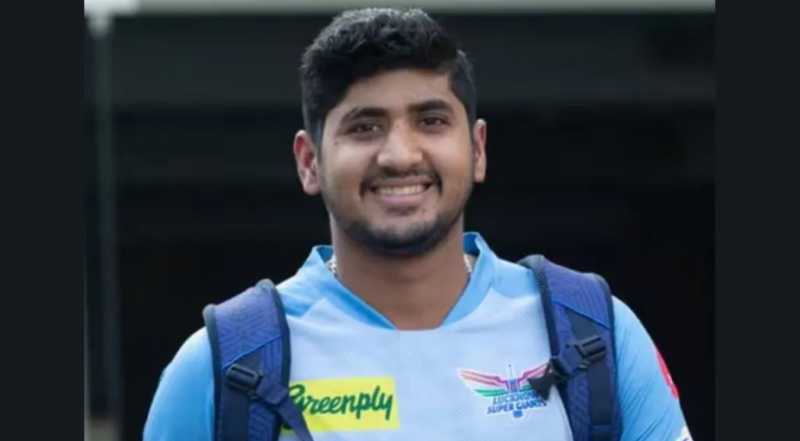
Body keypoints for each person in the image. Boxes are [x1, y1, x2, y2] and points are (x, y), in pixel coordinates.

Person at [143, 7, 692, 441]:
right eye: (365, 126)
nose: (400, 155)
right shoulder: (222, 366)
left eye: (431, 120)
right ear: (309, 162)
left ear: (477, 149)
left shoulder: (594, 334)